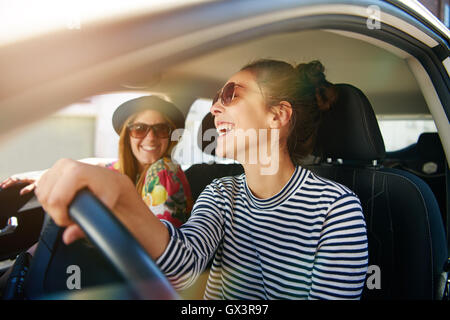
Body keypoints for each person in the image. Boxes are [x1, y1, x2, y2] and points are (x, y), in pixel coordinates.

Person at [34, 59, 369, 300]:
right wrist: (123, 197)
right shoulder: (222, 193)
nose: (214, 110)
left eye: (230, 94)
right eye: (213, 101)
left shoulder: (336, 209)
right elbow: (184, 265)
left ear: (277, 115)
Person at [0, 96, 193, 228]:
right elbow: (99, 165)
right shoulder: (128, 169)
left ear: (170, 137)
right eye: (140, 129)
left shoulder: (164, 171)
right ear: (128, 136)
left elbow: (161, 250)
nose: (150, 138)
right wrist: (45, 174)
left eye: (160, 129)